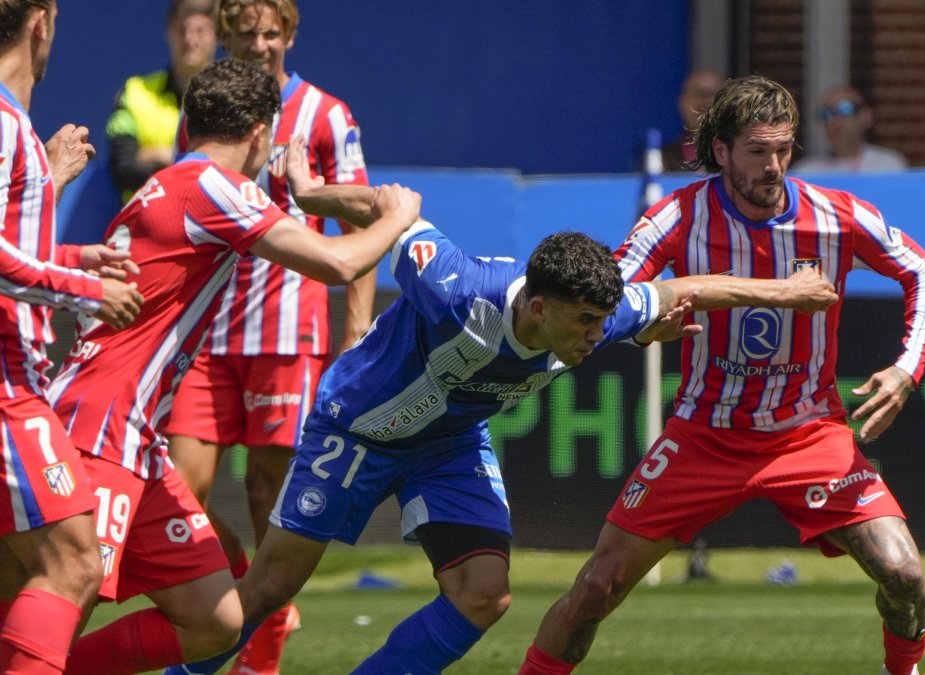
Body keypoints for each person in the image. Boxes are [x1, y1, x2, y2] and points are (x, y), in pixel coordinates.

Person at [163, 145, 840, 674]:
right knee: (271, 585)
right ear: (537, 308)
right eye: (583, 323)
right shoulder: (459, 288)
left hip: (449, 442)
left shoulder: (599, 315)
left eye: (603, 322)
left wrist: (787, 290)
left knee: (483, 592)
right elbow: (393, 209)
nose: (595, 337)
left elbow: (682, 288)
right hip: (358, 428)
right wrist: (311, 194)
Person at [518, 75, 925, 675]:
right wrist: (643, 323)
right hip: (703, 435)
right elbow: (613, 292)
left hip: (809, 433)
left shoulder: (836, 216)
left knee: (904, 576)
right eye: (757, 152)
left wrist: (906, 370)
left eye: (784, 150)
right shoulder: (676, 217)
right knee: (597, 587)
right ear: (720, 151)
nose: (774, 167)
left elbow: (924, 273)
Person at [41, 57, 420, 675]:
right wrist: (396, 218)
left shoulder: (165, 184)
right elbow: (336, 262)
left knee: (214, 617)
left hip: (130, 435)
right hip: (101, 428)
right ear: (262, 135)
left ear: (187, 125)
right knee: (62, 596)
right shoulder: (216, 186)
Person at [165, 2, 376, 670]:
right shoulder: (202, 110)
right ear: (225, 36)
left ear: (289, 35)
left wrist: (356, 330)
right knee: (174, 487)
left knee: (267, 494)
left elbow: (359, 222)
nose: (259, 45)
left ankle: (262, 648)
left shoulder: (326, 114)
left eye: (270, 33)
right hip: (207, 330)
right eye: (245, 33)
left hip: (287, 332)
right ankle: (251, 594)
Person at [0, 1, 145, 673]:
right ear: (42, 21)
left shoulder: (16, 126)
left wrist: (73, 257)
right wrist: (89, 290)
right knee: (75, 562)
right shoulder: (4, 123)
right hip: (6, 386)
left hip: (18, 380)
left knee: (16, 578)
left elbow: (15, 249)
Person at [106, 0, 217, 201]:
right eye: (182, 30)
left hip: (210, 225)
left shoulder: (231, 98)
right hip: (145, 223)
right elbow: (122, 170)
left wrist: (162, 156)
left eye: (200, 31)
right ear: (169, 32)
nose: (190, 39)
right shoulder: (134, 92)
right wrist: (194, 161)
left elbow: (236, 170)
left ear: (216, 36)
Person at [794, 84, 908, 173]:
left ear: (866, 116)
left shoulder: (888, 165)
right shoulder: (805, 172)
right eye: (826, 114)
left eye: (844, 109)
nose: (835, 120)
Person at [661, 69, 725, 172]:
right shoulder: (660, 160)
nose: (705, 104)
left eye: (713, 95)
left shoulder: (744, 157)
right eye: (697, 94)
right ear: (682, 102)